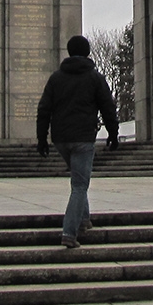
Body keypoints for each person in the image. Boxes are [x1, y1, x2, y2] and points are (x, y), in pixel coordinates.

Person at [36, 35, 120, 248]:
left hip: (61, 139)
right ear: (88, 52)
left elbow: (44, 109)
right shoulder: (94, 78)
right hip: (83, 138)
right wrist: (113, 132)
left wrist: (41, 138)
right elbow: (108, 107)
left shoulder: (56, 78)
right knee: (80, 185)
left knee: (78, 180)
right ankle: (69, 232)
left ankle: (84, 219)